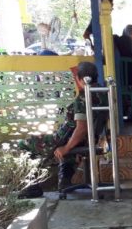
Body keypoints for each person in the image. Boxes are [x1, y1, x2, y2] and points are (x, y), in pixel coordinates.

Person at [18, 61, 106, 191]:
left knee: (25, 144)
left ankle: (31, 188)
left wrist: (66, 148)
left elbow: (81, 129)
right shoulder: (103, 94)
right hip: (87, 139)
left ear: (80, 79)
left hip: (65, 139)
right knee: (66, 150)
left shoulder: (84, 97)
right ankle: (65, 182)